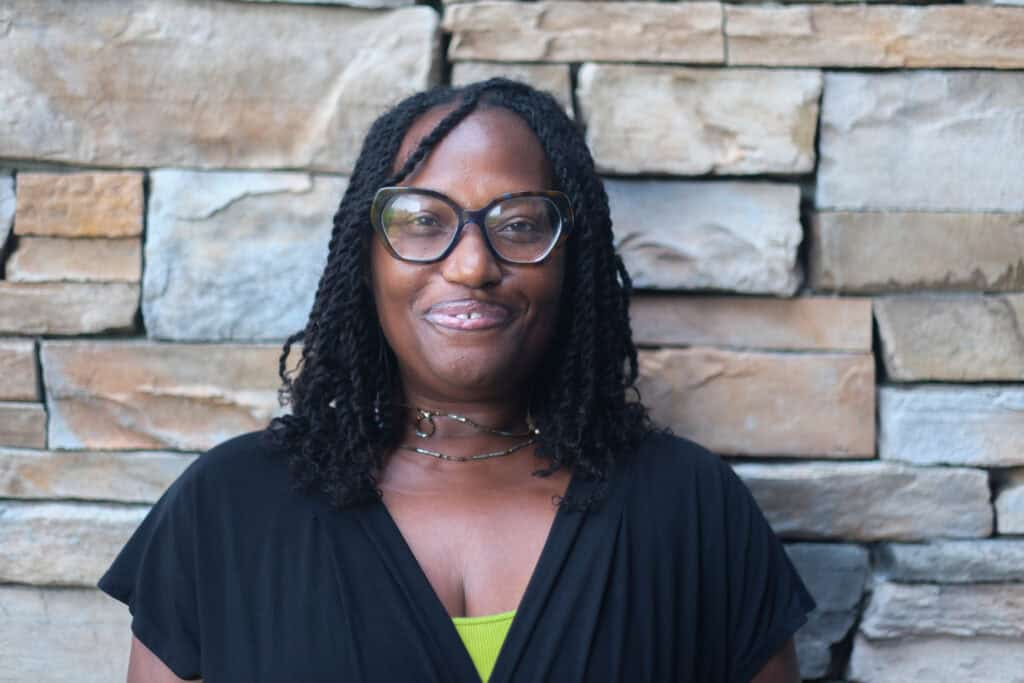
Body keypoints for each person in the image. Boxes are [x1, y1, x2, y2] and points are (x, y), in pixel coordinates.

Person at [99, 79, 815, 683]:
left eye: (521, 222)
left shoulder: (689, 509)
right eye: (420, 220)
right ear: (366, 255)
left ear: (575, 261)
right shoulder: (229, 509)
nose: (472, 263)